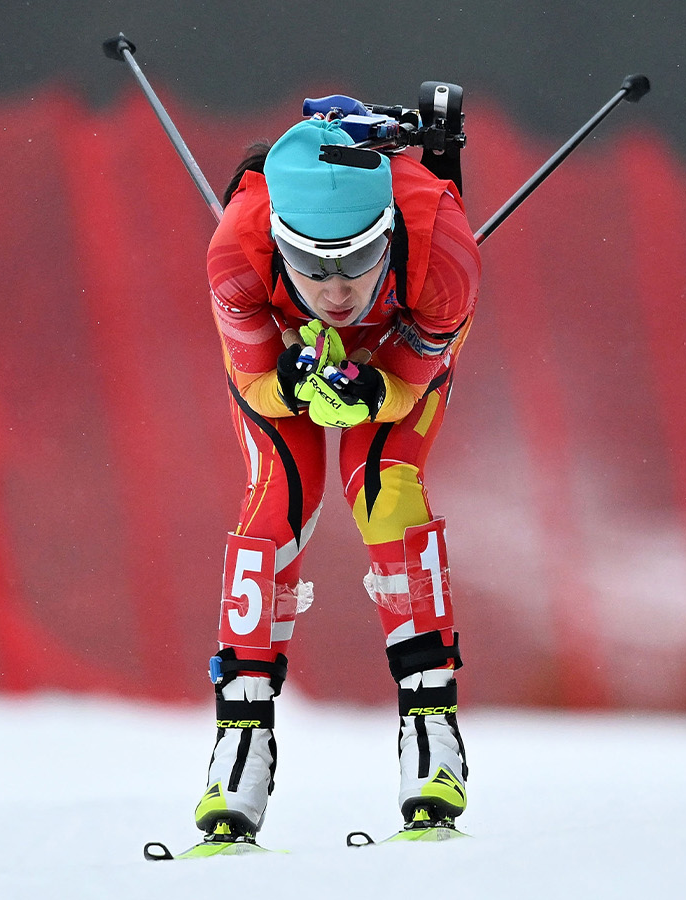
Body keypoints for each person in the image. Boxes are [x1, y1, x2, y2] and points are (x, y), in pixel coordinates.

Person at [196, 115, 480, 842]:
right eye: (309, 262)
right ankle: (241, 741)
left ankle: (431, 730)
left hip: (396, 347)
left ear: (388, 230)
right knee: (277, 502)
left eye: (357, 259)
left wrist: (369, 393)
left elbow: (412, 382)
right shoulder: (236, 255)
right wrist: (292, 384)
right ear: (278, 238)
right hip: (287, 353)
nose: (334, 289)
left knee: (384, 485)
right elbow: (256, 384)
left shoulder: (444, 254)